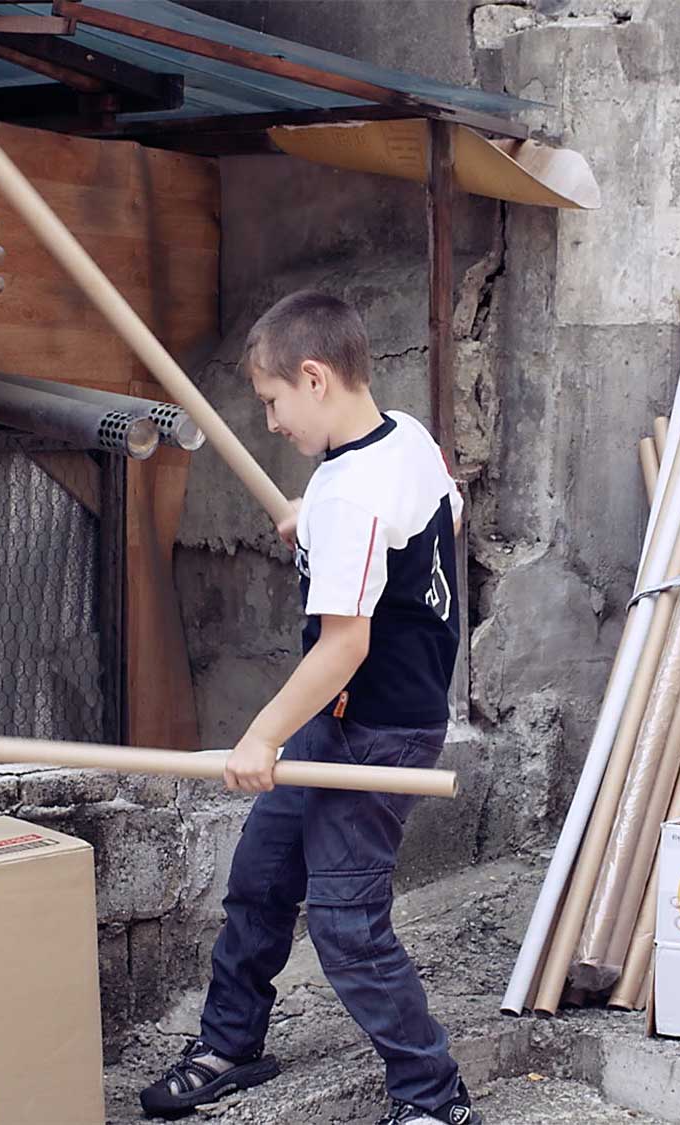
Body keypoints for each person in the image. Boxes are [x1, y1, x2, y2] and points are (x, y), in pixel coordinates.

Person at [140, 290, 478, 1125]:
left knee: (345, 920)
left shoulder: (349, 490)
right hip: (341, 720)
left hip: (379, 729)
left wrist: (259, 735)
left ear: (315, 377)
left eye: (271, 400)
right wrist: (317, 532)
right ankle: (231, 1044)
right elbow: (440, 518)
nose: (271, 423)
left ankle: (434, 1096)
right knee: (259, 880)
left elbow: (344, 645)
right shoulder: (407, 439)